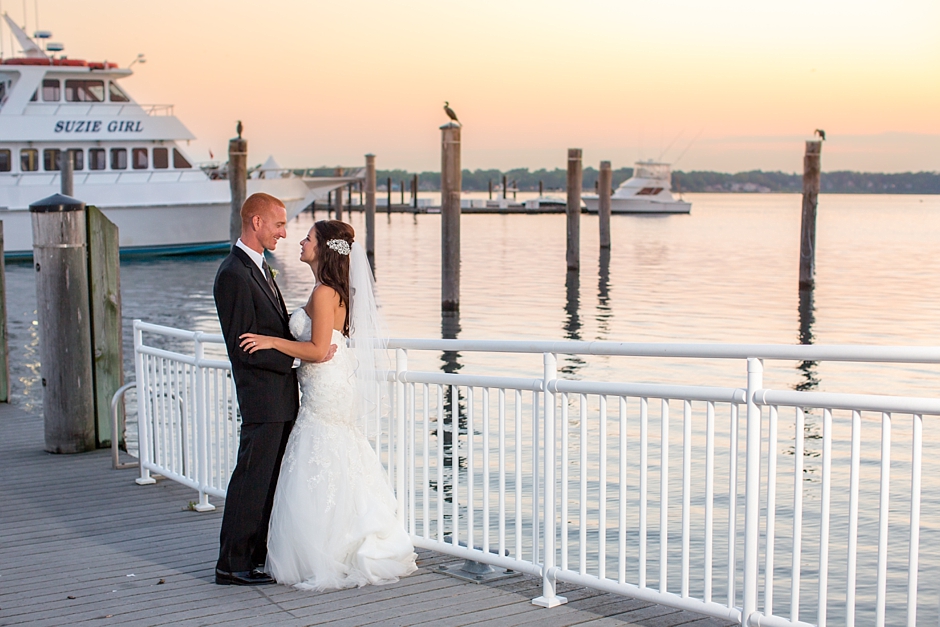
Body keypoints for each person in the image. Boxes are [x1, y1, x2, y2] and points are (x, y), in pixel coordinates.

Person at [239, 219, 417, 590]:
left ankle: (326, 550)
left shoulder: (324, 293)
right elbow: (321, 347)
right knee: (333, 454)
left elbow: (318, 350)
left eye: (308, 238)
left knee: (321, 451)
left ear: (322, 249)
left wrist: (272, 343)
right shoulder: (330, 290)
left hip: (325, 385)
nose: (300, 242)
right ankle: (338, 542)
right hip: (328, 383)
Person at [213, 193, 336, 585]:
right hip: (261, 398)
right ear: (256, 223)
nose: (285, 233)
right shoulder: (233, 274)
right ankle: (231, 565)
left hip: (280, 397)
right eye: (279, 225)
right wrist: (301, 359)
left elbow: (271, 332)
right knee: (251, 480)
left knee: (267, 481)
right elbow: (245, 348)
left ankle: (253, 557)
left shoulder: (259, 269)